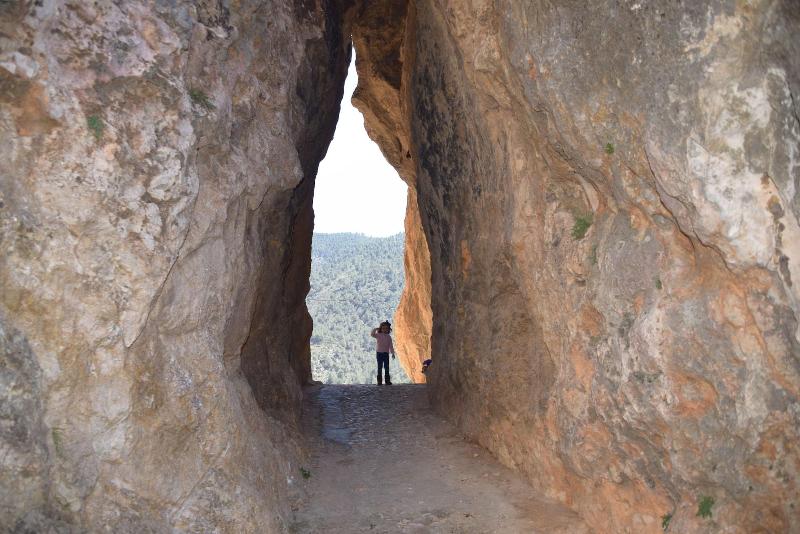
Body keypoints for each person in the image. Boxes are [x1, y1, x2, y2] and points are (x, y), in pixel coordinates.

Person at [370, 320, 395, 385]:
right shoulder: (378, 335)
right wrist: (376, 329)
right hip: (379, 354)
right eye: (383, 328)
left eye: (386, 328)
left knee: (386, 367)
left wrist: (392, 353)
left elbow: (390, 346)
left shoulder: (389, 337)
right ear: (381, 329)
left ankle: (387, 381)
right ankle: (379, 381)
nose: (385, 330)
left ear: (389, 329)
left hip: (386, 354)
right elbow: (372, 334)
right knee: (379, 367)